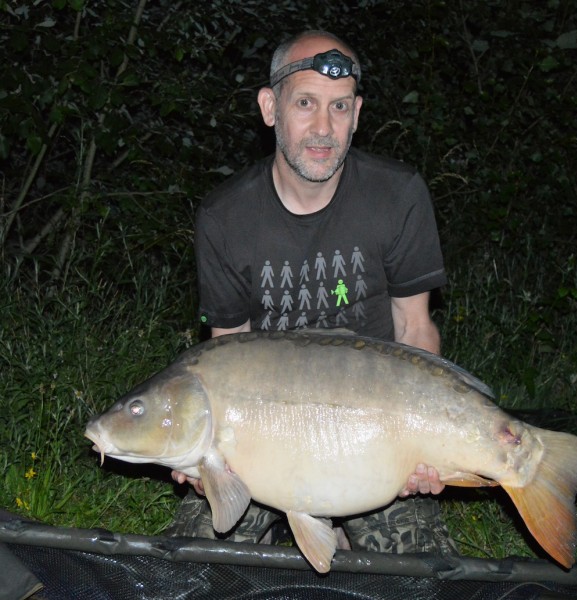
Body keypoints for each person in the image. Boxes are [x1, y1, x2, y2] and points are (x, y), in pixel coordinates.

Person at [167, 29, 456, 556]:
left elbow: (415, 328)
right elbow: (225, 351)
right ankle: (298, 524)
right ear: (270, 107)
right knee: (192, 567)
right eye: (305, 103)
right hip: (265, 437)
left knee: (420, 577)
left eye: (339, 107)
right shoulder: (224, 218)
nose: (324, 128)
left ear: (357, 112)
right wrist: (204, 455)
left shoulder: (398, 195)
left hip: (372, 429)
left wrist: (422, 446)